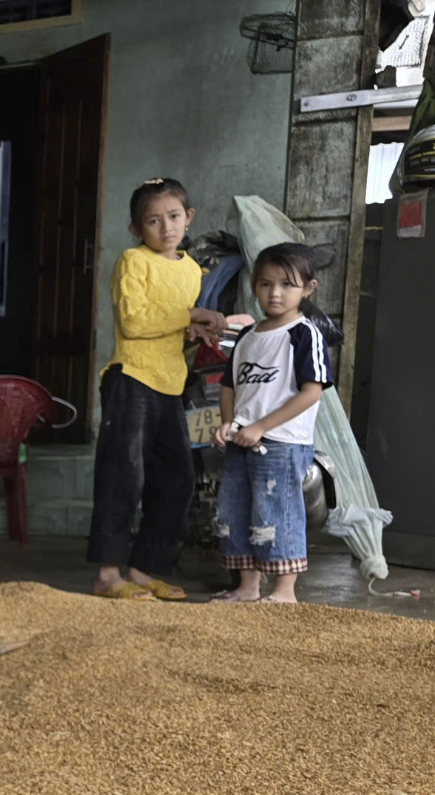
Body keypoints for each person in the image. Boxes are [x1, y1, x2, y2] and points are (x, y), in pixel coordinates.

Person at [88, 177, 228, 601]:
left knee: (176, 479)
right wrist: (192, 313)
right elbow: (134, 322)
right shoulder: (133, 262)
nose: (166, 227)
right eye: (153, 220)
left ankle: (145, 569)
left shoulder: (190, 270)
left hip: (169, 384)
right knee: (122, 475)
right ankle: (108, 575)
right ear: (136, 229)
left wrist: (197, 331)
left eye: (173, 217)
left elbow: (171, 326)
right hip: (130, 377)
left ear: (189, 218)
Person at [208, 244, 333, 604]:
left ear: (308, 288)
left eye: (286, 285)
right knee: (236, 510)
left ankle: (284, 591)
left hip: (282, 443)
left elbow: (312, 393)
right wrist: (228, 423)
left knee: (276, 510)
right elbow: (229, 387)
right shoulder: (249, 337)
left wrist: (261, 426)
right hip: (240, 441)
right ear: (254, 285)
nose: (274, 293)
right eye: (265, 284)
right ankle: (248, 588)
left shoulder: (304, 334)